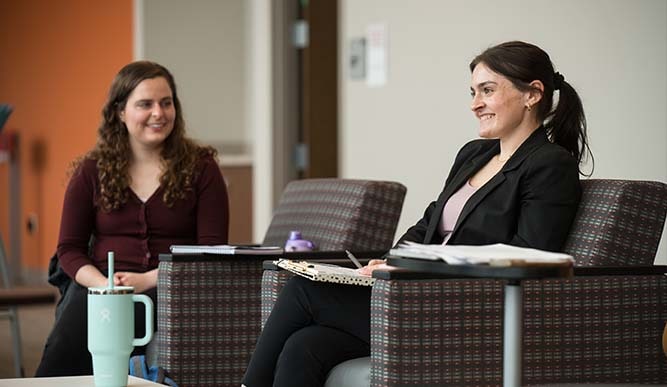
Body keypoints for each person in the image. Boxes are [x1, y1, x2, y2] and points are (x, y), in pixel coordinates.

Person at [241, 40, 593, 387]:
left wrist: (420, 267)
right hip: (419, 295)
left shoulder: (549, 164)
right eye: (472, 92)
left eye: (487, 90)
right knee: (304, 346)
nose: (475, 104)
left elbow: (529, 253)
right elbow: (428, 224)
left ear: (532, 94)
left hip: (471, 310)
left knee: (303, 292)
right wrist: (387, 261)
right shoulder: (474, 154)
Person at [36, 61, 230, 376]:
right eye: (145, 104)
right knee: (76, 329)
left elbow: (211, 248)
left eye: (166, 103)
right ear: (120, 112)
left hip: (171, 287)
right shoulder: (92, 170)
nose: (159, 113)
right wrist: (104, 286)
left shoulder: (202, 168)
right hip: (100, 285)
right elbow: (69, 249)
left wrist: (151, 278)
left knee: (116, 320)